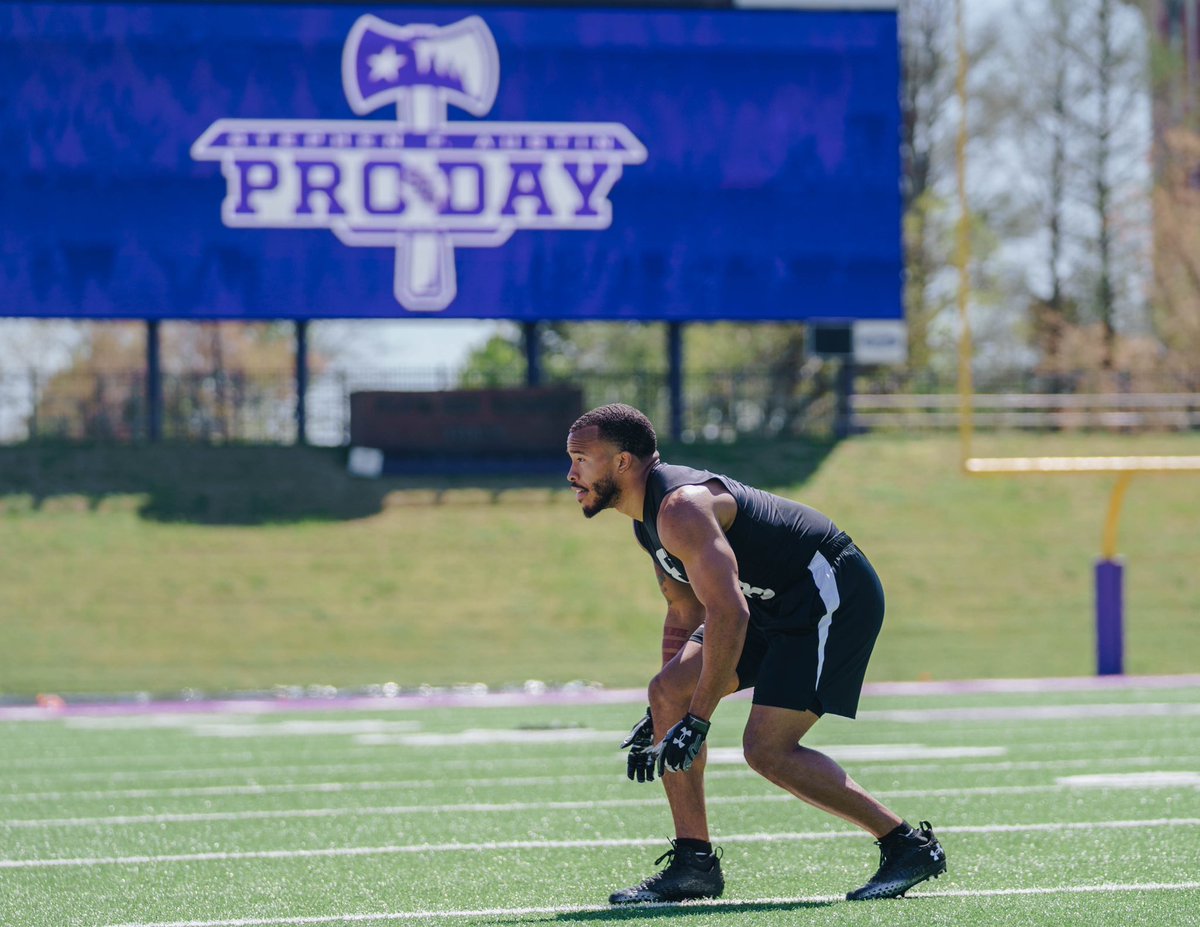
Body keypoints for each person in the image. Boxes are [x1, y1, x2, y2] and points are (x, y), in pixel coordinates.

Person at [565, 403, 946, 905]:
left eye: (582, 459)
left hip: (827, 591)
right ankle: (693, 866)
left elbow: (730, 614)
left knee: (767, 749)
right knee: (666, 694)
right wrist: (669, 711)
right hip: (766, 605)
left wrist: (697, 719)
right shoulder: (646, 522)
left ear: (622, 463)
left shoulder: (680, 509)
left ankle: (907, 846)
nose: (571, 474)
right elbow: (684, 611)